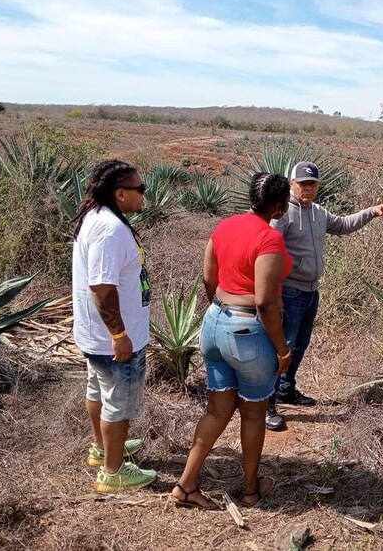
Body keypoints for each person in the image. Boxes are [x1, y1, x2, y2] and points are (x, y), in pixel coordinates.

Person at [170, 173, 293, 510]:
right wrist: (282, 349)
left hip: (214, 324)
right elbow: (266, 302)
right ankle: (251, 491)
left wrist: (222, 312)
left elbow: (209, 278)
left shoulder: (225, 226)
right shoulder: (269, 239)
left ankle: (186, 484)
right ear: (280, 207)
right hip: (248, 332)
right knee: (253, 416)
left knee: (217, 410)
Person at [266, 161, 383, 431]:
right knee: (282, 347)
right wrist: (284, 280)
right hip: (289, 291)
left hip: (311, 292)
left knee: (300, 344)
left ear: (318, 186)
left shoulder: (319, 213)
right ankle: (268, 400)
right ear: (292, 183)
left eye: (312, 184)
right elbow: (271, 249)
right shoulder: (283, 214)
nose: (307, 188)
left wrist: (371, 212)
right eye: (302, 183)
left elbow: (343, 225)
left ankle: (286, 388)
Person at [72, 159, 156, 493]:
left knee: (98, 390)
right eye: (139, 189)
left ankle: (101, 448)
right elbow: (102, 289)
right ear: (120, 194)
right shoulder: (110, 229)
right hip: (115, 339)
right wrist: (120, 335)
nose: (144, 195)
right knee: (118, 403)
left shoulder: (97, 216)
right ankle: (112, 471)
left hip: (97, 335)